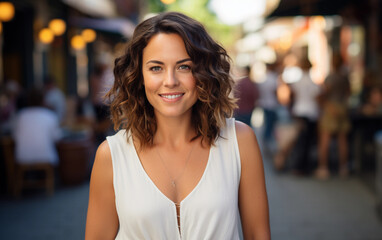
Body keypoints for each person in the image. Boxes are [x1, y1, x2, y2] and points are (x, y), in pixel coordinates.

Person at [85, 12, 270, 240]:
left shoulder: (239, 141)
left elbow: (258, 234)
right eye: (156, 68)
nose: (170, 80)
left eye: (184, 67)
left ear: (203, 73)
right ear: (138, 76)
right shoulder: (112, 155)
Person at [315, 53, 351, 179]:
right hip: (342, 108)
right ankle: (343, 167)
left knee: (325, 139)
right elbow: (348, 92)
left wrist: (322, 102)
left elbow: (325, 93)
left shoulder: (331, 77)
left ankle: (323, 167)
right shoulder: (345, 77)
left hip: (331, 109)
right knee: (342, 140)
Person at [13, 88, 62, 166]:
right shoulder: (50, 116)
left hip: (23, 158)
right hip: (46, 158)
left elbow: (15, 137)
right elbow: (57, 138)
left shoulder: (20, 116)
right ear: (43, 100)